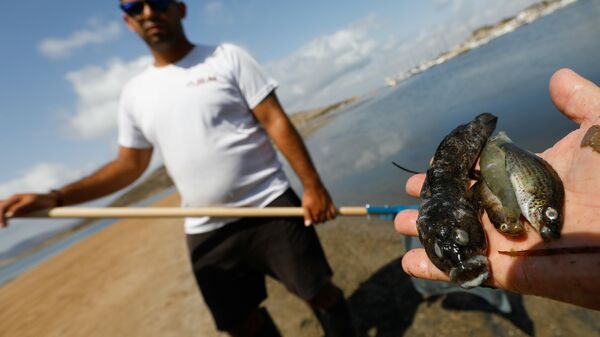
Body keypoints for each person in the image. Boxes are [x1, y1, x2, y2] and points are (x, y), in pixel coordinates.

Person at [0, 1, 357, 336]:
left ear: (180, 8)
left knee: (319, 293)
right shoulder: (135, 93)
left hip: (270, 204)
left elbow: (273, 119)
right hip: (205, 225)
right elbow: (129, 165)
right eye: (133, 6)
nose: (148, 11)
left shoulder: (226, 57)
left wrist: (313, 186)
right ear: (127, 21)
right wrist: (55, 196)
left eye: (157, 0)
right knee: (240, 323)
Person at [395, 68, 600, 311]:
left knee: (483, 124)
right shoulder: (458, 214)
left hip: (449, 176)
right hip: (447, 183)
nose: (460, 260)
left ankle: (479, 129)